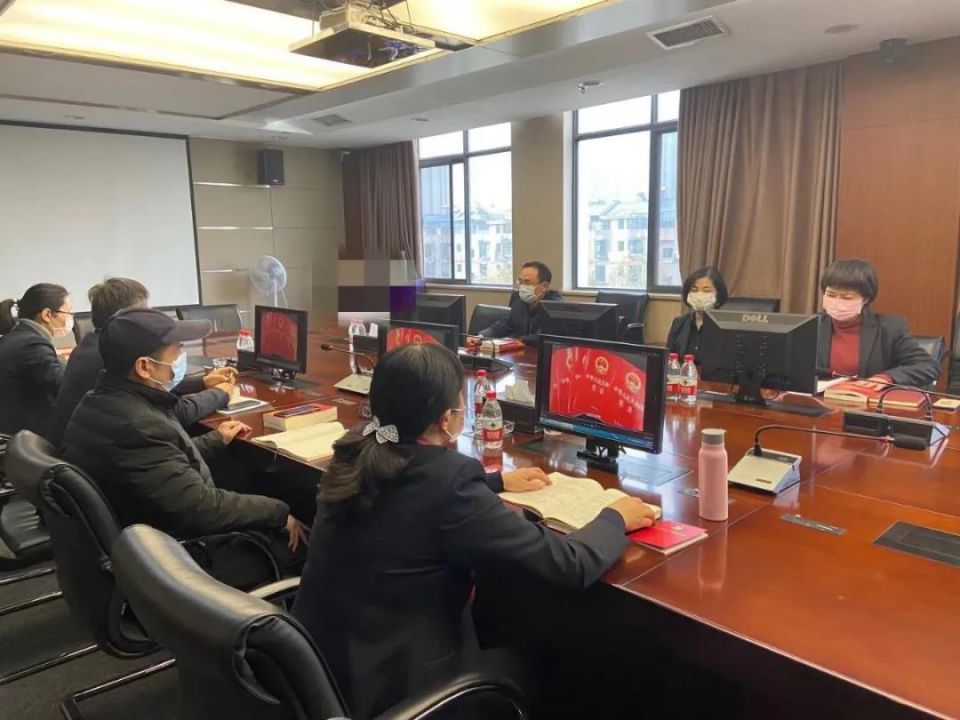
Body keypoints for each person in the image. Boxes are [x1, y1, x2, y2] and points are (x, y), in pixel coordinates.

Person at [292, 342, 657, 719]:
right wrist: (614, 518)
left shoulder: (357, 449)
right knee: (537, 665)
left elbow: (413, 489)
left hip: (318, 674)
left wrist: (495, 482)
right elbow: (568, 564)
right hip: (395, 689)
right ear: (446, 419)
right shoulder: (448, 484)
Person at [61, 308, 307, 588]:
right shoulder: (138, 425)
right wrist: (279, 511)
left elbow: (157, 464)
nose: (180, 358)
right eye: (176, 351)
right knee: (303, 545)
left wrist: (214, 440)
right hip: (178, 562)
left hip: (140, 540)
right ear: (144, 367)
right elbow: (203, 509)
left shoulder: (101, 402)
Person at [49, 278, 235, 447]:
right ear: (128, 319)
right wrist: (220, 394)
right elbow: (171, 413)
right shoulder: (110, 357)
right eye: (145, 312)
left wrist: (200, 382)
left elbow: (147, 385)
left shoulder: (90, 346)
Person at [816, 258, 939, 387]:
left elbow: (929, 366)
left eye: (846, 297)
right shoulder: (812, 325)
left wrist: (887, 378)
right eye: (831, 295)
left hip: (866, 397)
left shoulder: (890, 329)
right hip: (819, 398)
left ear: (865, 299)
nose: (837, 302)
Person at [0, 283, 72, 439]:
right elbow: (64, 386)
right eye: (67, 313)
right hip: (26, 436)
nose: (69, 318)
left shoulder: (19, 336)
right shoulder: (32, 345)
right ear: (47, 315)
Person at [475, 261, 563, 345]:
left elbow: (543, 336)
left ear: (544, 286)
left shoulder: (556, 308)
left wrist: (516, 340)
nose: (522, 287)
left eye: (527, 282)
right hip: (520, 352)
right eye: (520, 282)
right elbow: (504, 325)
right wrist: (481, 337)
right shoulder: (519, 303)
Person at [666, 266, 729, 361]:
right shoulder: (679, 323)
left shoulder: (727, 327)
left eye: (706, 291)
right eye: (694, 290)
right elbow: (669, 359)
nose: (699, 295)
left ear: (718, 295)